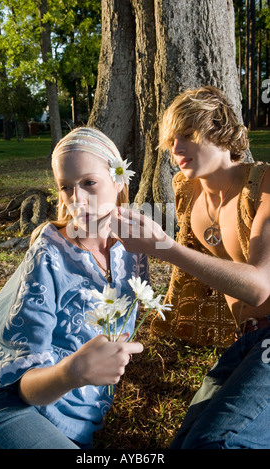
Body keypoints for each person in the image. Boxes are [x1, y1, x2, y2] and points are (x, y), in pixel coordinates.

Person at [111, 86, 270, 449]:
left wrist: (164, 248)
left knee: (216, 442)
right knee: (185, 443)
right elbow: (191, 275)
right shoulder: (188, 191)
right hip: (245, 341)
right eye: (171, 140)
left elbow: (261, 285)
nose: (176, 149)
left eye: (187, 135)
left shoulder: (263, 185)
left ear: (219, 129)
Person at [0, 127, 146, 449]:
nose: (76, 199)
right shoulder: (49, 254)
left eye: (89, 183)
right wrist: (74, 372)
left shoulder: (134, 250)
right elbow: (24, 387)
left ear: (119, 180)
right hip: (13, 408)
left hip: (78, 426)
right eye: (66, 187)